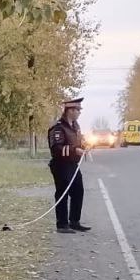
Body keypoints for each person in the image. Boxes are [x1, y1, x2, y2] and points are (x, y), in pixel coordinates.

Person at [48, 97, 90, 233]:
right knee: (62, 193)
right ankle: (62, 224)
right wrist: (74, 150)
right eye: (77, 110)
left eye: (79, 110)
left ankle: (74, 221)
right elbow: (56, 148)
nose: (79, 112)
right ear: (69, 110)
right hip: (61, 165)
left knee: (78, 191)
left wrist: (84, 146)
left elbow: (78, 141)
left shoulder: (76, 126)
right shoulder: (58, 128)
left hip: (73, 164)